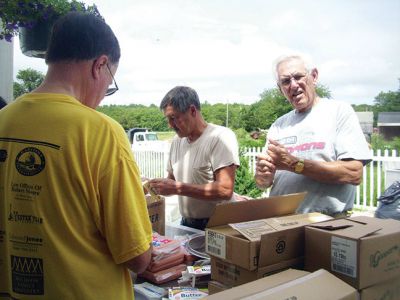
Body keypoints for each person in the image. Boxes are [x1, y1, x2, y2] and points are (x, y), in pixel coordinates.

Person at [0, 12, 152, 299]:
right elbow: (138, 256)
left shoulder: (3, 120)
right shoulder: (102, 132)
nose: (101, 96)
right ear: (100, 65)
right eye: (110, 86)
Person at [255, 55, 372, 217]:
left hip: (326, 223)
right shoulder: (279, 125)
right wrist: (263, 177)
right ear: (280, 88)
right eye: (286, 81)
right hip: (280, 222)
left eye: (297, 77)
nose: (293, 85)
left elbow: (353, 173)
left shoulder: (339, 112)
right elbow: (263, 183)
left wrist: (293, 163)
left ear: (314, 76)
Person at [148, 86, 240, 230]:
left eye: (173, 118)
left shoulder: (220, 137)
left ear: (192, 111)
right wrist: (153, 185)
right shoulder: (177, 141)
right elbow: (171, 181)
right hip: (187, 223)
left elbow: (225, 190)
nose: (170, 125)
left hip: (218, 225)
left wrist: (177, 188)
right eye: (168, 119)